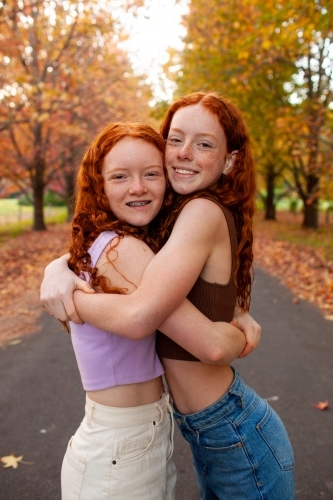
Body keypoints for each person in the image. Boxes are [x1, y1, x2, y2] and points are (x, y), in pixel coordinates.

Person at [41, 92, 295, 499]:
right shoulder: (164, 223)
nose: (184, 153)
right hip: (208, 432)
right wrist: (60, 270)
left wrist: (73, 297)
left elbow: (160, 319)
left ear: (230, 160)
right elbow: (121, 254)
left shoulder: (200, 212)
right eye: (175, 139)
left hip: (231, 428)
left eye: (205, 144)